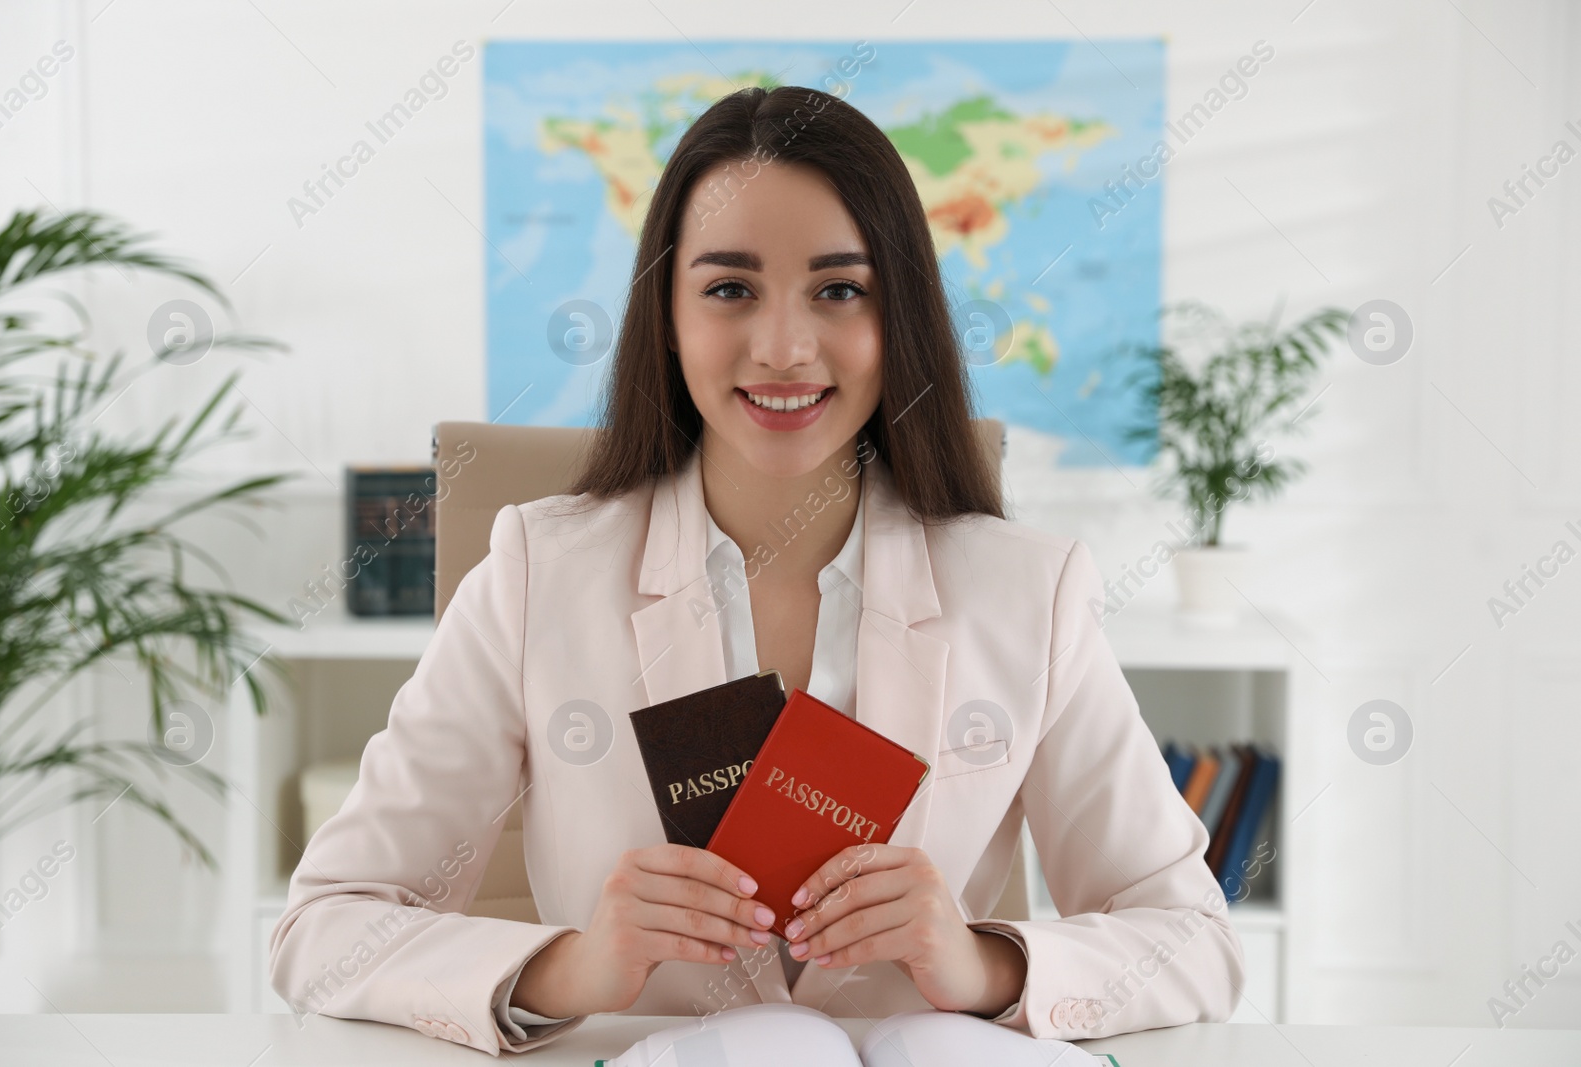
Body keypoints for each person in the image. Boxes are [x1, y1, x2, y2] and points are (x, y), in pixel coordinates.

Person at [268, 84, 1244, 1056]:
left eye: (839, 289)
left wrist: (983, 963)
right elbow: (325, 926)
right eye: (729, 288)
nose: (782, 348)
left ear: (897, 316)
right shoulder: (537, 574)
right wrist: (572, 965)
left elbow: (1194, 939)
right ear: (666, 316)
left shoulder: (1033, 590)